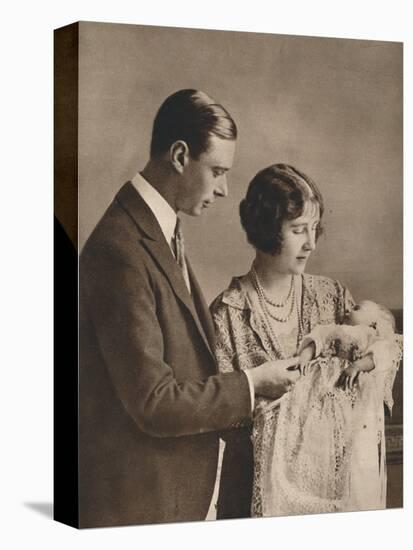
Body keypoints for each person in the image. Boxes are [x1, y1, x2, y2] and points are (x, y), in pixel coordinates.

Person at [78, 91, 299, 528]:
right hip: (138, 509)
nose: (224, 189)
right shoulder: (119, 248)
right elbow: (154, 402)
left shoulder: (159, 230)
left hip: (172, 499)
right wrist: (251, 386)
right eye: (217, 171)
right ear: (180, 155)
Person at [211, 163, 402, 518]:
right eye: (299, 230)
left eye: (314, 229)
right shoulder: (229, 314)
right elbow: (220, 413)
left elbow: (377, 355)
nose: (311, 243)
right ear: (267, 229)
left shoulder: (333, 297)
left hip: (334, 493)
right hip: (254, 495)